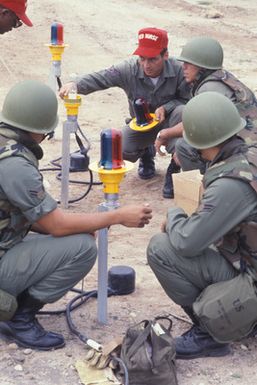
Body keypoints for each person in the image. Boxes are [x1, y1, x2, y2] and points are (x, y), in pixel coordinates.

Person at [0, 79, 152, 351]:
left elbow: (26, 216)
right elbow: (55, 224)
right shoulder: (14, 164)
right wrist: (116, 216)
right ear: (40, 129)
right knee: (81, 248)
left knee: (74, 233)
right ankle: (20, 320)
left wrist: (79, 224)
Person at [147, 91, 257, 359]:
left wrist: (174, 217)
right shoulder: (249, 154)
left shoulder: (231, 182)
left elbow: (187, 241)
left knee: (162, 248)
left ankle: (211, 332)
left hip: (252, 278)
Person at [59, 27, 190, 198]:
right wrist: (74, 84)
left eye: (152, 59)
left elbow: (189, 100)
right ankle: (146, 153)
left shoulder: (179, 69)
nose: (146, 65)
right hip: (141, 126)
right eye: (142, 59)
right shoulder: (128, 69)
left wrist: (167, 107)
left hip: (171, 125)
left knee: (184, 112)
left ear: (165, 55)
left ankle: (174, 167)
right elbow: (101, 77)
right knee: (119, 149)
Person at [155, 36, 257, 176]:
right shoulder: (221, 77)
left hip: (245, 149)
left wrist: (165, 134)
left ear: (202, 67)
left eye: (189, 63)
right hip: (241, 140)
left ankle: (206, 185)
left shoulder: (210, 88)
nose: (183, 67)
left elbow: (198, 125)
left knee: (184, 146)